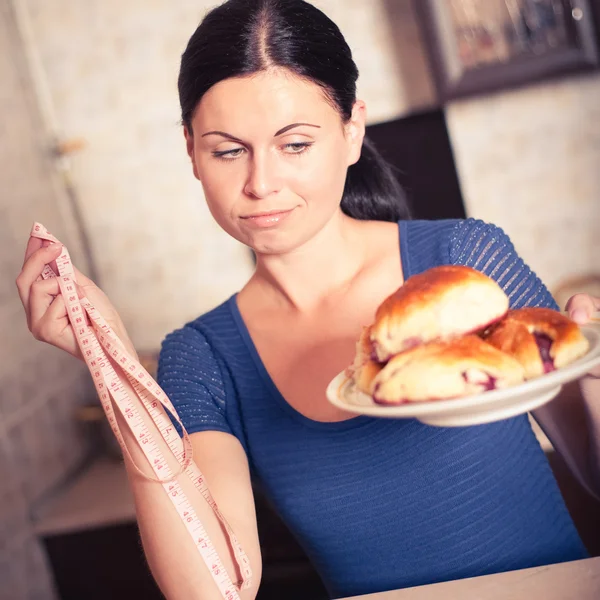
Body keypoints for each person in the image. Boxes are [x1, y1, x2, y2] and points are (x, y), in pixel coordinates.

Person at [16, 1, 600, 599]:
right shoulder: (202, 358)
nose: (261, 183)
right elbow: (215, 591)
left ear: (352, 131)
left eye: (294, 144)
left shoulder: (466, 261)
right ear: (190, 151)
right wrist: (114, 368)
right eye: (227, 150)